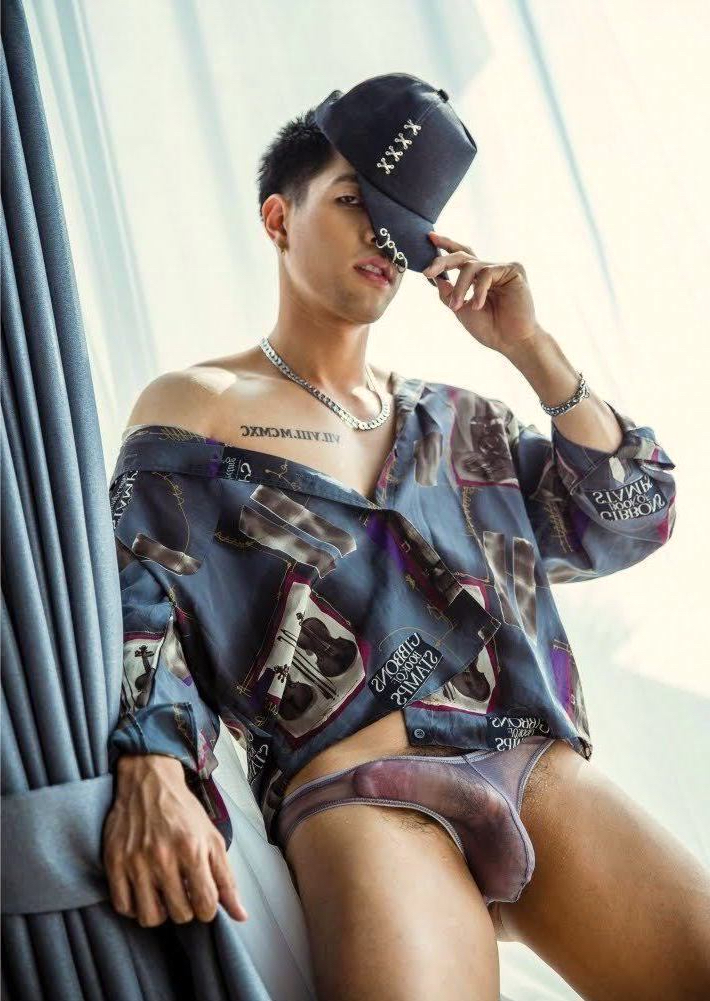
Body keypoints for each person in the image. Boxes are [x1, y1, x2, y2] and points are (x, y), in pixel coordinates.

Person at [102, 74, 710, 1001]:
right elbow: (138, 592)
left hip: (530, 761)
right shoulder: (202, 403)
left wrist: (530, 348)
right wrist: (153, 760)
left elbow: (634, 514)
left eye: (403, 221)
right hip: (362, 785)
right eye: (354, 202)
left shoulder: (460, 425)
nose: (384, 239)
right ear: (279, 217)